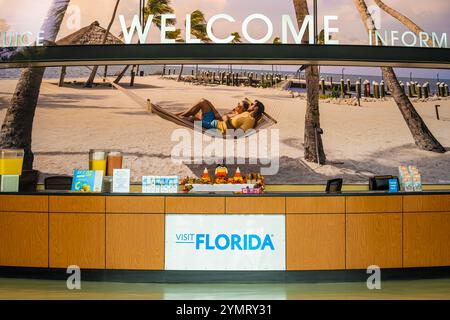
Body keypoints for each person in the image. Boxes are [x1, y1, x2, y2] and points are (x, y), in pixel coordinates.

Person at [178, 98, 265, 134]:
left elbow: (236, 134)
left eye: (253, 104)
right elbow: (245, 102)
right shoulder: (246, 113)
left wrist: (226, 121)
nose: (251, 104)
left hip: (216, 128)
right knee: (203, 101)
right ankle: (181, 115)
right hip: (216, 121)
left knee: (191, 118)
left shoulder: (250, 120)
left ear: (256, 108)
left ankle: (179, 116)